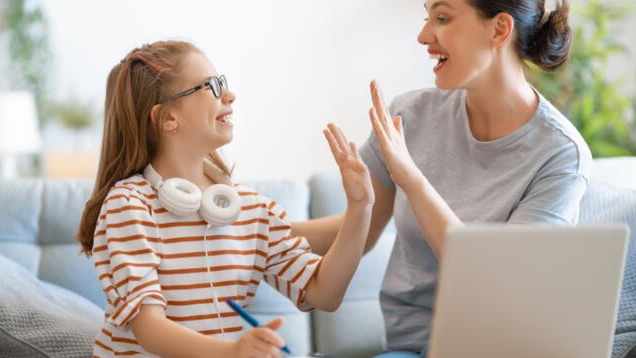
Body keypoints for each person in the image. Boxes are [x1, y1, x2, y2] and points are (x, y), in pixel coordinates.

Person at [291, 0, 591, 357]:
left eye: (443, 18)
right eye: (427, 17)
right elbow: (359, 230)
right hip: (411, 347)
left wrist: (412, 180)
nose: (422, 36)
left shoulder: (559, 154)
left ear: (499, 30)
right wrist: (253, 226)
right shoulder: (410, 115)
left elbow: (497, 283)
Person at [76, 40, 374, 358]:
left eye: (224, 83)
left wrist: (360, 208)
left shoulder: (250, 208)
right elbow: (150, 330)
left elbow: (324, 294)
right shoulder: (129, 206)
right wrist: (233, 352)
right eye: (212, 86)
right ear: (167, 119)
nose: (229, 95)